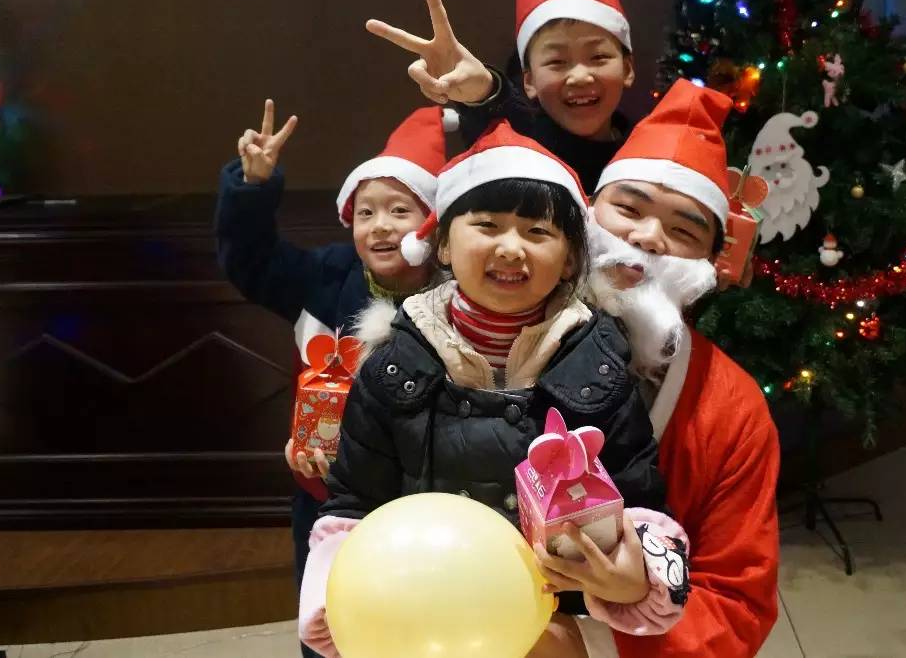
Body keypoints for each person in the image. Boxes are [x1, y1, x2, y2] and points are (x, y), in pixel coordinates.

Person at [296, 122, 691, 657]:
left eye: (538, 232)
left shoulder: (601, 369)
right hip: (418, 618)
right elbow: (353, 503)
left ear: (570, 260)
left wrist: (635, 576)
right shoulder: (391, 366)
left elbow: (639, 503)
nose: (510, 248)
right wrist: (336, 601)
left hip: (545, 621)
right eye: (486, 225)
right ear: (442, 244)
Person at [541, 79, 782, 658]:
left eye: (684, 229)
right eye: (628, 208)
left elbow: (736, 603)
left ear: (710, 264)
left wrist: (628, 606)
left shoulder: (732, 407)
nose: (648, 238)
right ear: (587, 213)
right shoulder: (487, 337)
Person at [215, 100, 448, 658]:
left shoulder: (458, 291)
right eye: (365, 212)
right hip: (327, 496)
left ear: (432, 224)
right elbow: (250, 261)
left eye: (399, 210)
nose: (380, 225)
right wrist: (252, 188)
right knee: (332, 624)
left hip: (427, 498)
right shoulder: (327, 275)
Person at [366, 0, 635, 192]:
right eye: (557, 62)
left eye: (598, 57)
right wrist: (482, 92)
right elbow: (502, 118)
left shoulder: (643, 147)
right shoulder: (524, 141)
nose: (580, 76)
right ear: (529, 81)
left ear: (627, 69)